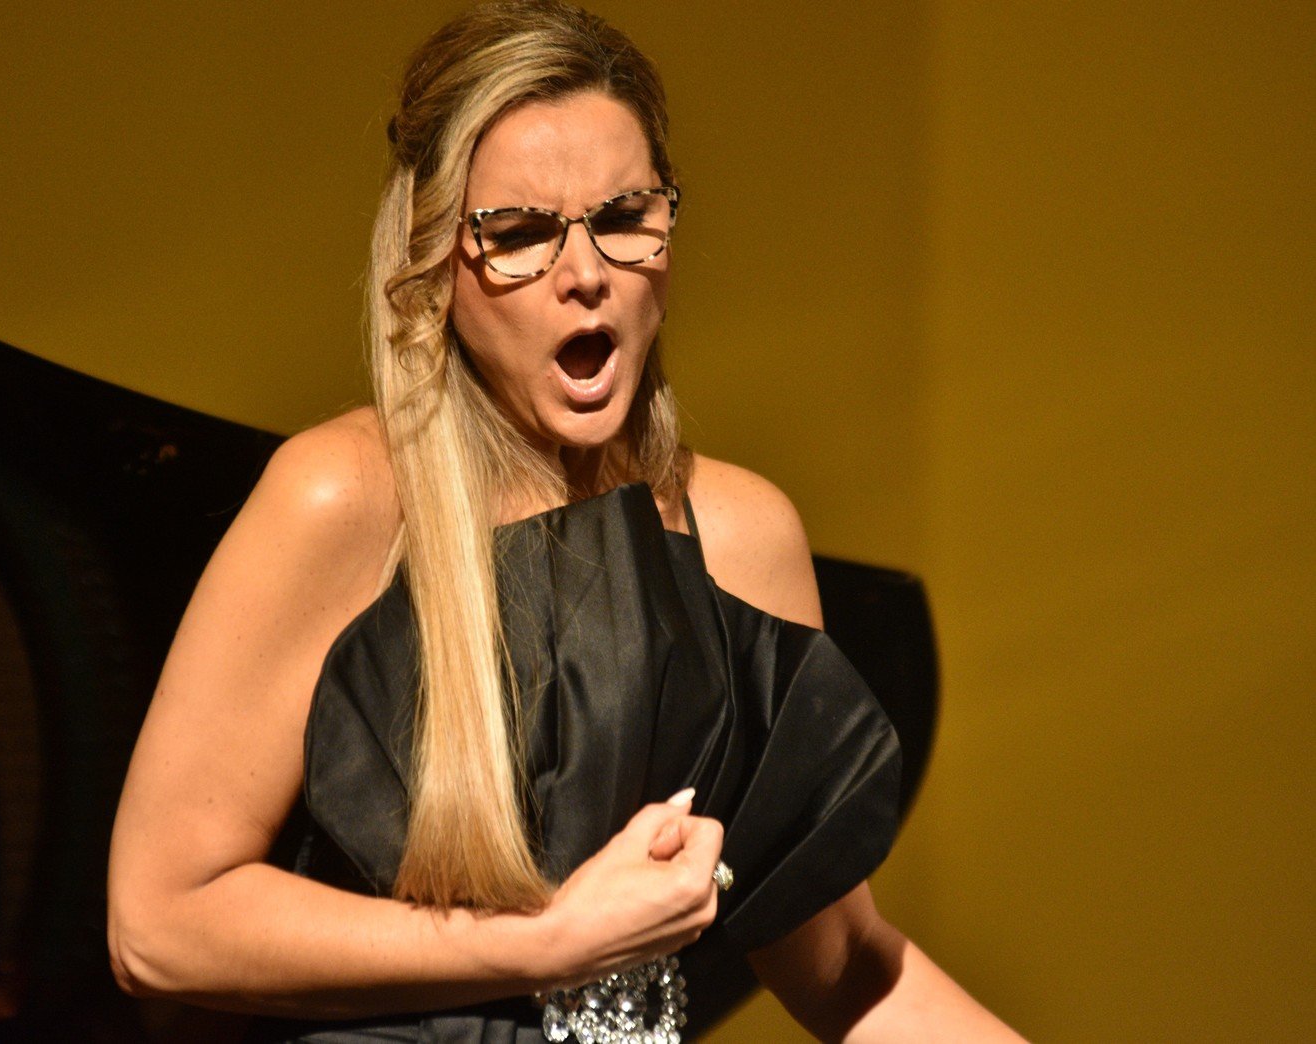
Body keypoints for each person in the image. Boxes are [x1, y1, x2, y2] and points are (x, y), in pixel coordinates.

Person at [107, 2, 1024, 1040]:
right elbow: (157, 925)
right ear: (433, 265)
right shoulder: (343, 500)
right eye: (519, 235)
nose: (582, 274)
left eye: (624, 216)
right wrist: (545, 944)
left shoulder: (739, 535)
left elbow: (841, 960)